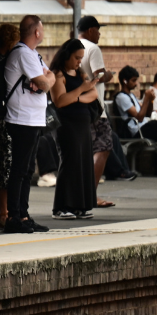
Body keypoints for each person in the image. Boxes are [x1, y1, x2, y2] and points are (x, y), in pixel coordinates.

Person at [3, 15, 55, 234]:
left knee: (26, 169)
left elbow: (50, 77)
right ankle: (14, 216)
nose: (42, 32)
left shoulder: (33, 54)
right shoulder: (23, 53)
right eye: (42, 29)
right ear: (36, 32)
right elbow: (45, 82)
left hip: (32, 119)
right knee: (20, 169)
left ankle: (23, 214)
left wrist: (46, 79)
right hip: (21, 118)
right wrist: (45, 80)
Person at [48, 39, 99, 220]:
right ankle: (61, 206)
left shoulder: (80, 72)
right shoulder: (58, 74)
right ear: (67, 55)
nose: (79, 62)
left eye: (81, 58)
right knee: (70, 160)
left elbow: (94, 94)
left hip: (82, 120)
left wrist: (77, 98)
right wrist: (81, 91)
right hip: (66, 123)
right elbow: (60, 100)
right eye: (77, 58)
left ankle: (80, 205)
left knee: (83, 161)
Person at [77, 16, 118, 207]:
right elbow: (99, 75)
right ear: (91, 30)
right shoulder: (93, 48)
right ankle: (90, 194)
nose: (100, 34)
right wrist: (109, 75)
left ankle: (81, 194)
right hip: (95, 109)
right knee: (103, 148)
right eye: (98, 29)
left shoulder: (71, 45)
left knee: (83, 153)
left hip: (77, 107)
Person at [114, 66, 157, 179]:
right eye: (133, 80)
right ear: (125, 81)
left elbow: (147, 113)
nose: (136, 84)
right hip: (137, 130)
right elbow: (139, 117)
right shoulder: (121, 97)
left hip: (144, 126)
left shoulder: (131, 96)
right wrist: (146, 99)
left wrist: (150, 101)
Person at [0, 23, 19, 228]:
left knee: (3, 163)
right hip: (8, 117)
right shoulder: (9, 61)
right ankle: (6, 212)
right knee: (9, 164)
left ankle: (4, 211)